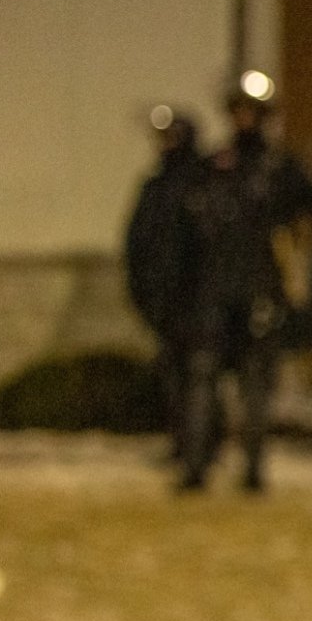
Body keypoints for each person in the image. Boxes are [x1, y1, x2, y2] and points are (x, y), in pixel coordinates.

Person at [180, 87, 312, 493]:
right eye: (238, 111)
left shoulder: (279, 168)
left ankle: (254, 469)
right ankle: (196, 464)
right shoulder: (215, 166)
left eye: (251, 112)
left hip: (260, 291)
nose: (244, 119)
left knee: (255, 385)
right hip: (217, 291)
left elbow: (310, 215)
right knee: (203, 379)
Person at [123, 112, 203, 460]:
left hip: (200, 300)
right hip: (165, 300)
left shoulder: (203, 181)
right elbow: (137, 242)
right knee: (174, 375)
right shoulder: (154, 187)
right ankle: (182, 442)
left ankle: (202, 444)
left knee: (201, 375)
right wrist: (144, 291)